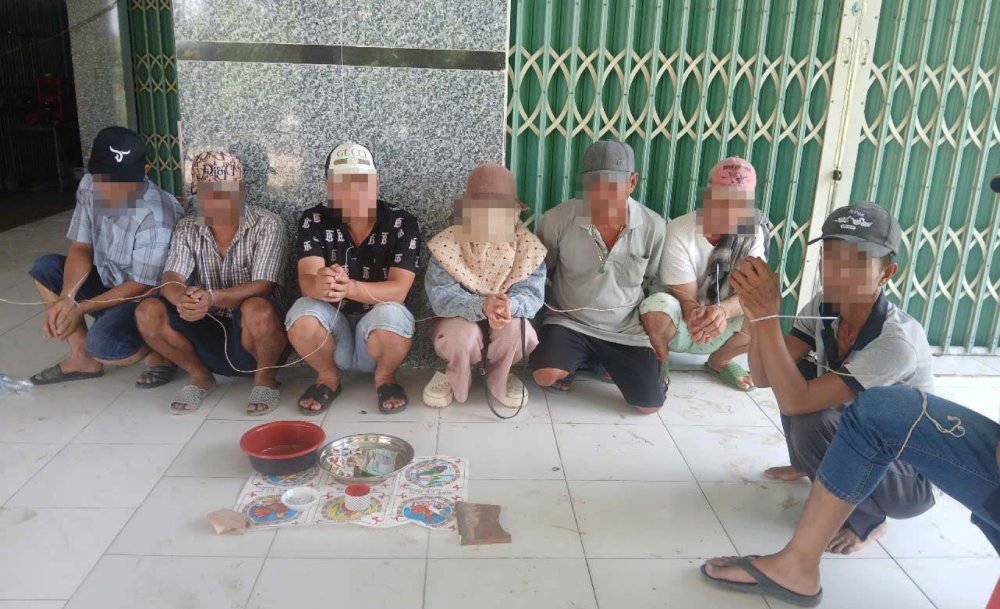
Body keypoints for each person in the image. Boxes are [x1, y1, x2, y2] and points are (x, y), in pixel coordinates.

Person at [730, 202, 935, 554]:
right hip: (863, 436)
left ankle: (870, 521)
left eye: (855, 262)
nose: (836, 271)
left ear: (886, 274)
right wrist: (754, 315)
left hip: (906, 475)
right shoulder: (825, 308)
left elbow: (797, 401)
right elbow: (764, 376)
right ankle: (810, 464)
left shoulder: (897, 343)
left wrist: (768, 317)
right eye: (830, 256)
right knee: (796, 378)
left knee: (811, 415)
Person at [701, 385, 999, 607]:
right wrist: (761, 317)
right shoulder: (818, 316)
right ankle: (797, 565)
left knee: (839, 416)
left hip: (912, 487)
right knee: (875, 413)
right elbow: (781, 388)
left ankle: (865, 523)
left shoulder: (896, 337)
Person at [27, 126, 183, 387]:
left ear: (144, 172)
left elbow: (142, 284)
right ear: (91, 164)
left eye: (122, 183)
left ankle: (160, 350)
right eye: (104, 180)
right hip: (109, 279)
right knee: (45, 268)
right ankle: (81, 358)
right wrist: (66, 299)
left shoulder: (158, 215)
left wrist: (81, 307)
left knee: (107, 347)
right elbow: (81, 248)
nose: (111, 190)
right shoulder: (89, 185)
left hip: (142, 295)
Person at [134, 151, 289, 415]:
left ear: (241, 190)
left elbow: (265, 284)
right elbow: (171, 277)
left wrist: (213, 298)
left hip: (255, 339)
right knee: (148, 311)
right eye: (207, 193)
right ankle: (199, 376)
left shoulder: (267, 224)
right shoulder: (187, 228)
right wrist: (183, 297)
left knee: (257, 307)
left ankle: (265, 379)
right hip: (207, 327)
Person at [531, 140, 668, 413]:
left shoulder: (653, 226)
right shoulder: (557, 219)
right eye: (595, 186)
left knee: (649, 406)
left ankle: (601, 363)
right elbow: (542, 272)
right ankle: (584, 362)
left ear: (632, 182)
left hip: (624, 328)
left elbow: (653, 282)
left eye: (612, 187)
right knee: (544, 375)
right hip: (570, 320)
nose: (602, 196)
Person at [285, 142, 420, 415]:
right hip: (333, 331)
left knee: (395, 316)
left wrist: (350, 288)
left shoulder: (401, 222)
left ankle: (385, 378)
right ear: (329, 186)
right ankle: (327, 377)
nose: (354, 192)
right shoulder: (314, 220)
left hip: (377, 332)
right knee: (302, 314)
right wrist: (320, 283)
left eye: (363, 183)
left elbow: (399, 290)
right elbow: (307, 280)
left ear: (377, 183)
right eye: (343, 184)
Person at [639, 157, 769, 392]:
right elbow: (686, 299)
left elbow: (752, 290)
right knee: (655, 309)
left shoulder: (753, 233)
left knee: (764, 311)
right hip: (682, 318)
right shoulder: (680, 230)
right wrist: (703, 317)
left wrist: (722, 311)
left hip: (723, 320)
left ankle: (720, 361)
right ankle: (661, 362)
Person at [423, 163, 546, 409]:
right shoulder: (447, 244)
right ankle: (456, 372)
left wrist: (508, 305)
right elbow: (440, 296)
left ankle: (500, 374)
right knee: (460, 336)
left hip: (506, 318)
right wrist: (481, 305)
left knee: (520, 332)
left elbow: (532, 295)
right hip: (458, 320)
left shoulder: (528, 247)